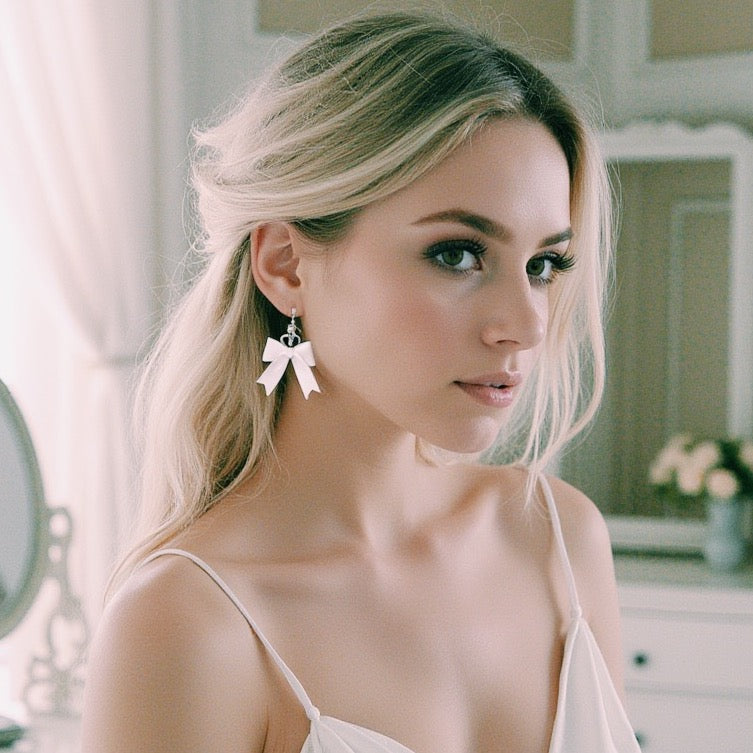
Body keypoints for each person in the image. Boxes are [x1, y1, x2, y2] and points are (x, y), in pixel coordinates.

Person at [81, 11, 640, 753]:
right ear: (284, 263)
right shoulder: (191, 624)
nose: (526, 324)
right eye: (456, 254)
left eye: (543, 265)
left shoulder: (558, 541)